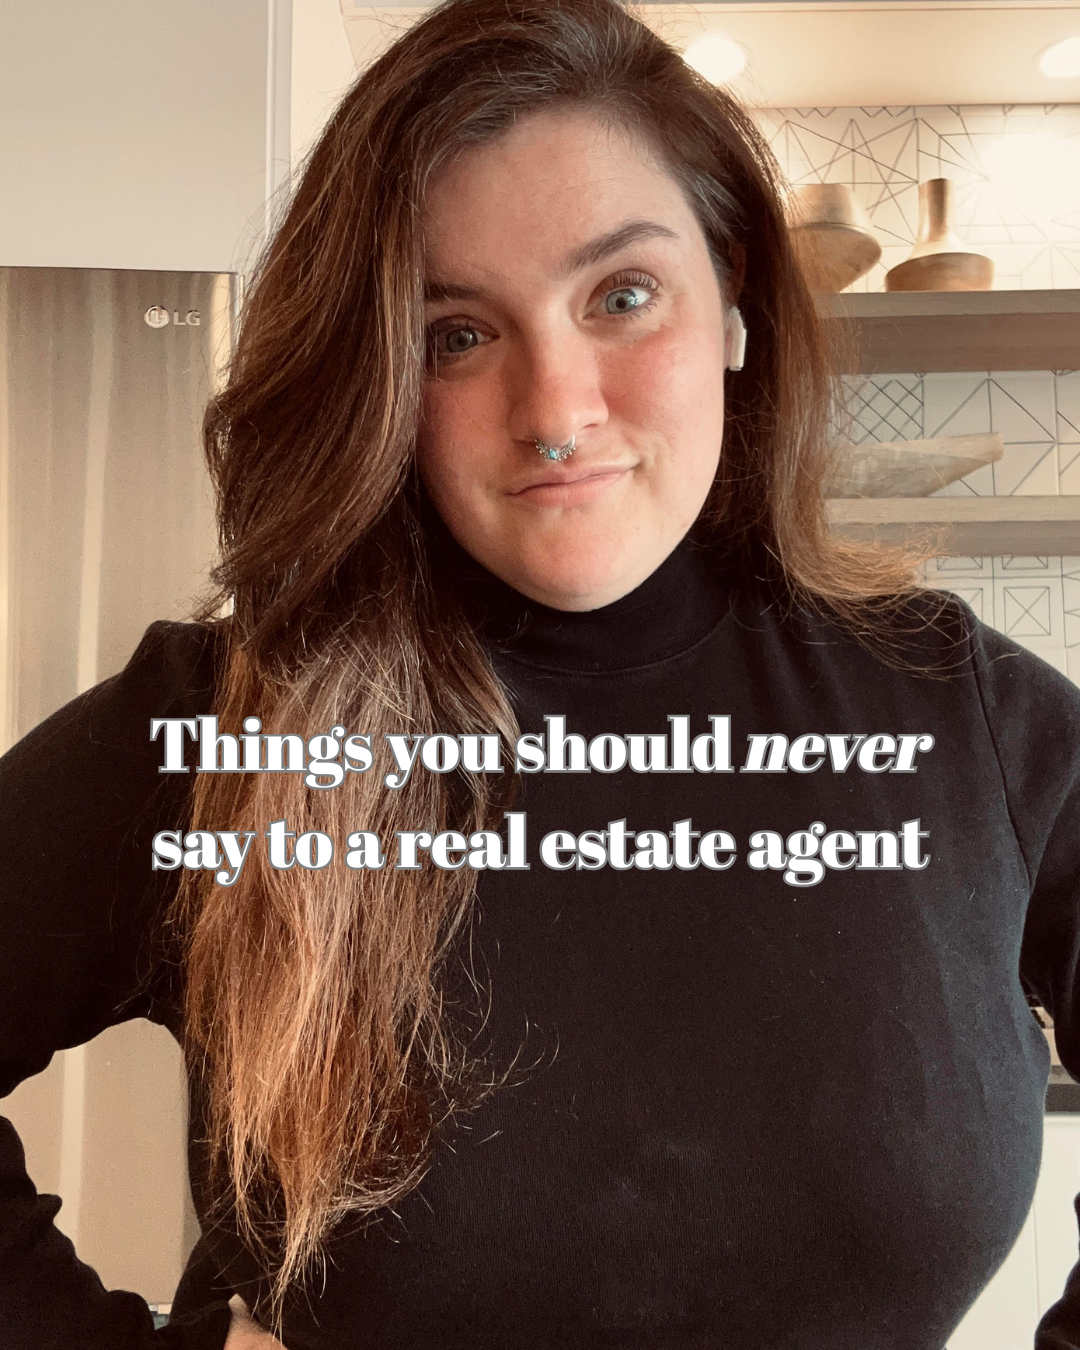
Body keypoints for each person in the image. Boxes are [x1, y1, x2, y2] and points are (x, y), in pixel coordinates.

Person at [3, 0, 1080, 1346]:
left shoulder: (953, 710)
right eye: (457, 332)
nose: (557, 410)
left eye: (622, 295)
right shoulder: (232, 729)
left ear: (734, 294)